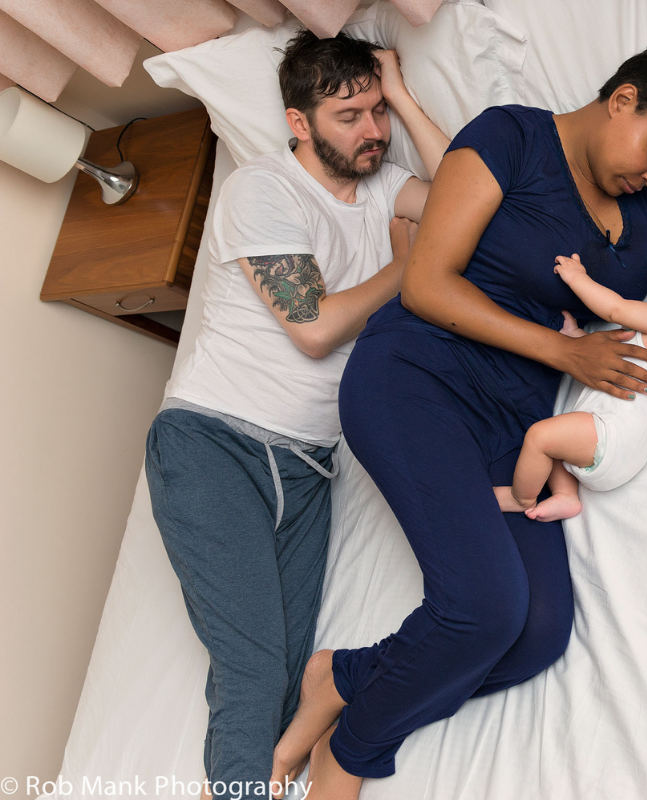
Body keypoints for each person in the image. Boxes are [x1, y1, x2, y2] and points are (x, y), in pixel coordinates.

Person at [273, 43, 647, 798]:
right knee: (482, 611)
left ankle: (342, 677)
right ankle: (346, 759)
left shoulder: (646, 189)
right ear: (622, 100)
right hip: (418, 379)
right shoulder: (509, 137)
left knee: (536, 633)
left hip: (511, 425)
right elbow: (425, 283)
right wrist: (564, 353)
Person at [144, 30, 449, 800]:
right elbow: (312, 328)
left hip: (308, 470)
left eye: (376, 110)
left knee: (283, 670)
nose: (371, 131)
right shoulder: (262, 189)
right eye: (349, 115)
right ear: (299, 122)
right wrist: (406, 268)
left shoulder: (384, 185)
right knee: (251, 666)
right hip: (214, 445)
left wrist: (405, 97)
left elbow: (466, 190)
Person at [494, 233, 647, 522]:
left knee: (540, 436)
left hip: (610, 436)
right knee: (557, 444)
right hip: (620, 452)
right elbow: (618, 356)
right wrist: (577, 338)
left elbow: (614, 308)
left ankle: (520, 497)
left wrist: (578, 278)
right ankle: (566, 495)